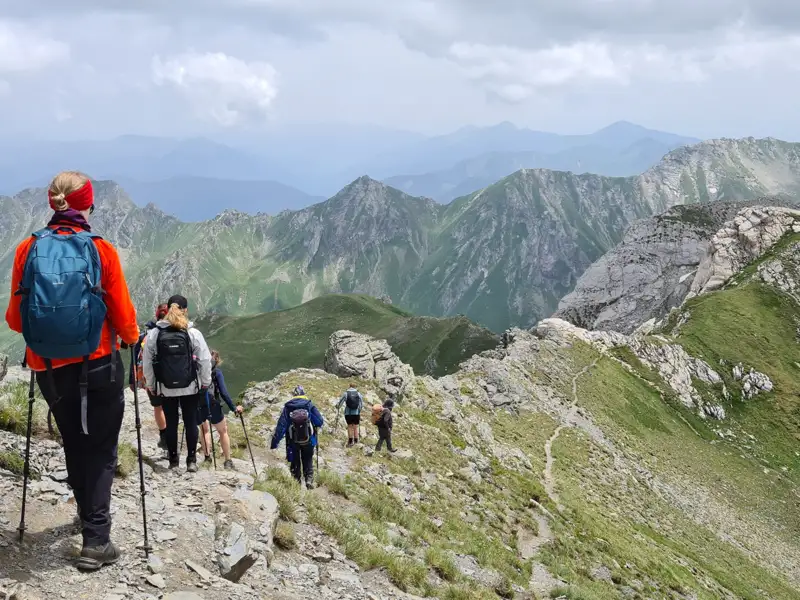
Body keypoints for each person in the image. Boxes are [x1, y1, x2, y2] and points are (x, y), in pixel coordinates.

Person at [5, 171, 139, 571]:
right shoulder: (102, 250)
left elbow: (15, 319)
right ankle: (96, 538)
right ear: (87, 206)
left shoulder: (27, 249)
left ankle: (86, 514)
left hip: (48, 367)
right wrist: (131, 338)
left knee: (74, 442)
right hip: (99, 363)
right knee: (101, 449)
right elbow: (125, 319)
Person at [142, 294, 211, 473]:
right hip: (190, 386)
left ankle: (173, 461)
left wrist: (151, 385)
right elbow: (205, 359)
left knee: (171, 423)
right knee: (190, 423)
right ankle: (191, 461)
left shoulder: (155, 333)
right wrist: (205, 382)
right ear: (185, 310)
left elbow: (147, 362)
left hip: (165, 387)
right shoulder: (191, 332)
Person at [130, 303, 169, 449]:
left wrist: (133, 380)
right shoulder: (177, 332)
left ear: (156, 314)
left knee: (158, 407)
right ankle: (171, 437)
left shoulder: (146, 335)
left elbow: (135, 358)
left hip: (150, 378)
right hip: (172, 378)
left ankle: (164, 436)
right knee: (170, 407)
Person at [197, 350, 243, 470]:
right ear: (217, 361)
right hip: (214, 405)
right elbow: (224, 393)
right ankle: (228, 461)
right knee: (223, 431)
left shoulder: (197, 370)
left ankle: (207, 458)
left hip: (199, 404)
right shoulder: (217, 372)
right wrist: (234, 408)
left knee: (204, 430)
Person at [270, 385, 323, 488]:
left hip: (292, 441)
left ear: (293, 395)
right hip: (309, 440)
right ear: (303, 394)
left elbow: (281, 426)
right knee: (307, 458)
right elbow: (320, 421)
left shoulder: (288, 407)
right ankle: (309, 480)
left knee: (295, 462)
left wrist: (274, 443)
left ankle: (296, 484)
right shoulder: (309, 404)